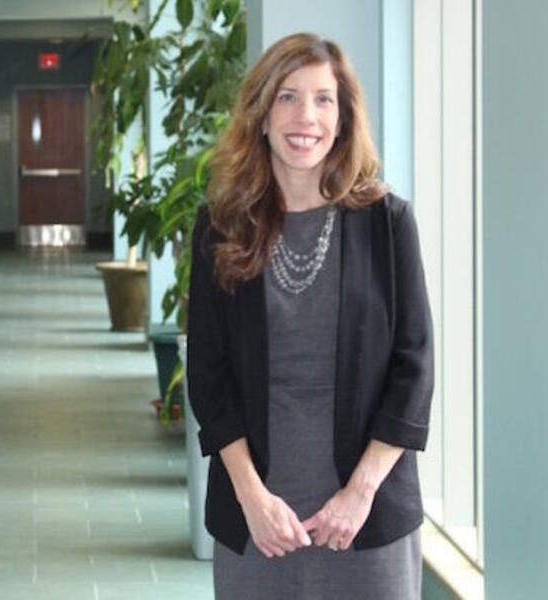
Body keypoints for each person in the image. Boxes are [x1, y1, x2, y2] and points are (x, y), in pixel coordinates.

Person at [186, 32, 434, 599]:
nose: (306, 117)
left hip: (368, 520)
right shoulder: (221, 228)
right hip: (258, 522)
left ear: (343, 119)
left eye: (324, 99)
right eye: (288, 97)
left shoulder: (388, 223)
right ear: (262, 115)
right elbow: (209, 376)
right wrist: (252, 497)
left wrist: (359, 494)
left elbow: (414, 370)